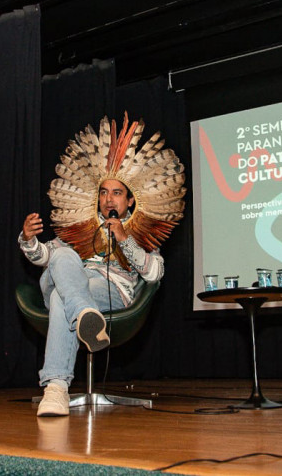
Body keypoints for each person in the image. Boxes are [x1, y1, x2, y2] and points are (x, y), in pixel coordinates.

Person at [18, 113, 185, 417]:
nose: (109, 199)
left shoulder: (140, 232)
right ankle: (84, 313)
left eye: (117, 193)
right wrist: (28, 240)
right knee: (63, 257)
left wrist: (124, 239)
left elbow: (155, 273)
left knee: (61, 299)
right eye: (104, 192)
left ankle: (55, 389)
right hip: (70, 281)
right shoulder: (77, 225)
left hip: (110, 291)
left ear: (130, 201)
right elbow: (43, 256)